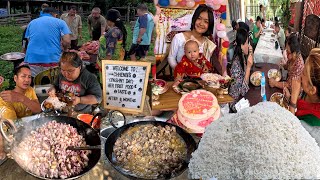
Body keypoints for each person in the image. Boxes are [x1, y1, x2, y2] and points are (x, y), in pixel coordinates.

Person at [24, 7, 71, 77]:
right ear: (55, 14)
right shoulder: (60, 22)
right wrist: (65, 49)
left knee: (36, 81)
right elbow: (67, 41)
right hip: (51, 58)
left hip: (32, 58)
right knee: (52, 82)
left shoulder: (32, 22)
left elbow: (29, 40)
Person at [168, 4, 217, 71]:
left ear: (209, 25)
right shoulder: (179, 38)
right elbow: (171, 58)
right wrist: (180, 72)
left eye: (206, 21)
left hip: (200, 79)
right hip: (183, 79)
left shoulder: (208, 43)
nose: (201, 23)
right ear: (194, 19)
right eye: (199, 18)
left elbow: (206, 63)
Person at [269, 34, 304, 114]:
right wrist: (283, 65)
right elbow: (287, 66)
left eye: (288, 52)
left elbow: (289, 85)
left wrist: (275, 83)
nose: (286, 54)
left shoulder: (299, 65)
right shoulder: (292, 57)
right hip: (286, 87)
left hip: (293, 97)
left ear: (294, 53)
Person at [291, 48, 320, 124]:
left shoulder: (313, 122)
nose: (300, 75)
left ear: (312, 90)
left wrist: (293, 101)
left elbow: (291, 129)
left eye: (303, 73)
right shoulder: (308, 94)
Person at [228, 28, 253, 112]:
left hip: (243, 97)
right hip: (236, 104)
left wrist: (251, 54)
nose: (248, 46)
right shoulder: (236, 65)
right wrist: (249, 67)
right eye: (246, 43)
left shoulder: (242, 56)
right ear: (241, 45)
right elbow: (242, 91)